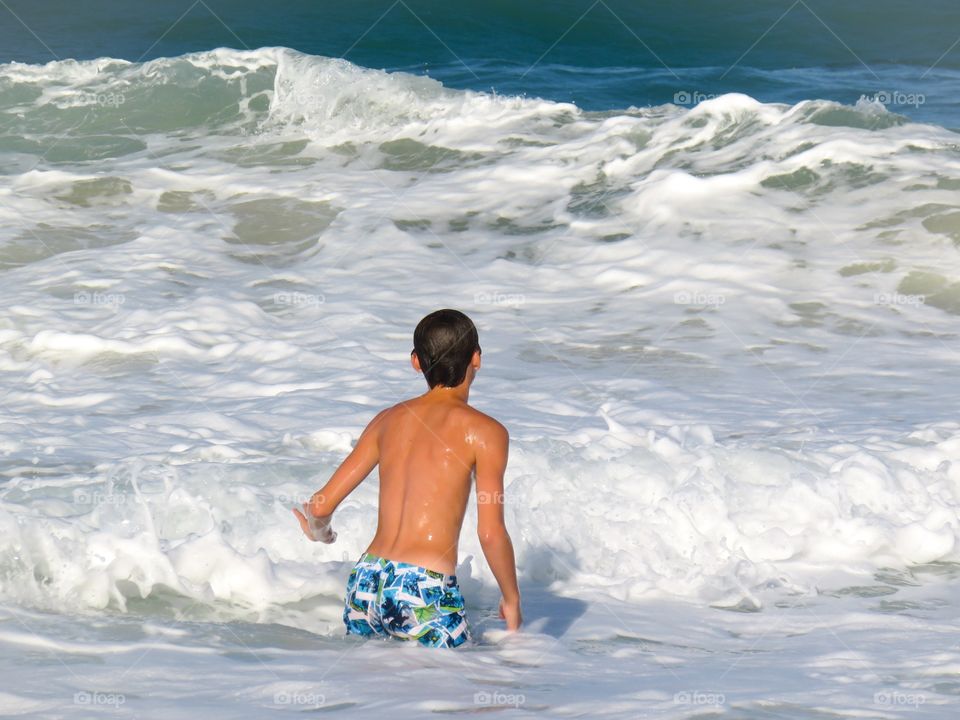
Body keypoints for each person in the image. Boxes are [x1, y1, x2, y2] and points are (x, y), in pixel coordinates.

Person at [293, 309, 521, 648]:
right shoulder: (486, 432)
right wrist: (511, 598)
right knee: (462, 693)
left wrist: (320, 531)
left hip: (367, 582)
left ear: (416, 361)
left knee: (378, 695)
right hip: (423, 586)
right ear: (477, 358)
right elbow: (489, 532)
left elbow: (321, 505)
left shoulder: (387, 420)